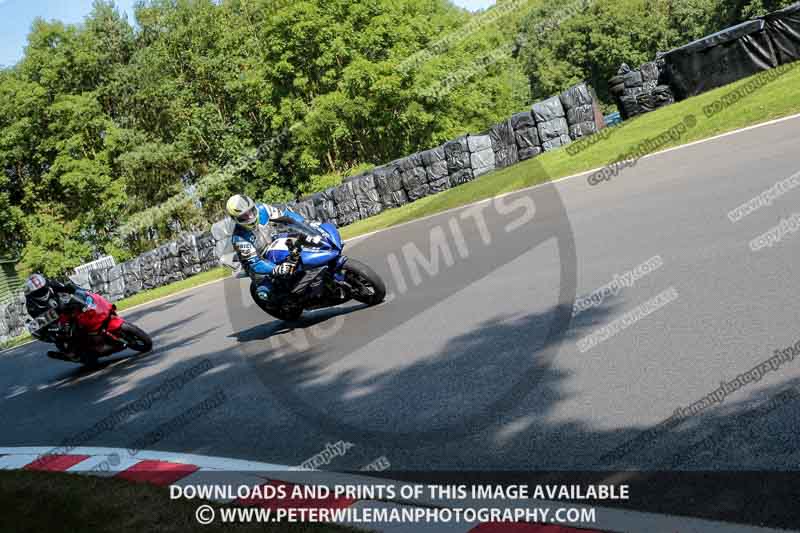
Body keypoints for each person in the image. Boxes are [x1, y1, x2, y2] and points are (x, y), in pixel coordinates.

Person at [226, 194, 320, 303]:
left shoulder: (263, 209)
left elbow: (287, 217)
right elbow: (255, 263)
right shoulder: (239, 238)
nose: (250, 216)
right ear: (235, 219)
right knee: (264, 291)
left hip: (273, 241)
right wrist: (276, 269)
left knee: (302, 241)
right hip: (259, 258)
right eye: (244, 216)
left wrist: (306, 224)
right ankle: (287, 297)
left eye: (251, 211)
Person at [24, 273, 90, 361]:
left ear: (45, 285)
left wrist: (81, 292)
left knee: (83, 304)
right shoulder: (31, 302)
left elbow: (70, 288)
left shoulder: (52, 283)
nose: (41, 292)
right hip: (52, 319)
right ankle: (66, 349)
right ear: (32, 293)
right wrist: (54, 326)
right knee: (35, 327)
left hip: (65, 307)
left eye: (43, 289)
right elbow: (37, 318)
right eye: (37, 292)